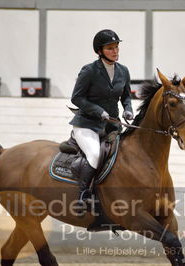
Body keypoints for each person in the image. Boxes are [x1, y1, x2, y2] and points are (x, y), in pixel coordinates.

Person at [69, 29, 134, 206]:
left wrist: (128, 109)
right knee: (95, 154)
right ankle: (83, 196)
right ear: (100, 51)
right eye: (110, 48)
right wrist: (98, 111)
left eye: (116, 47)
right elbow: (77, 97)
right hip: (87, 124)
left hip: (112, 125)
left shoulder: (123, 71)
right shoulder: (89, 70)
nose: (115, 51)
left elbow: (126, 96)